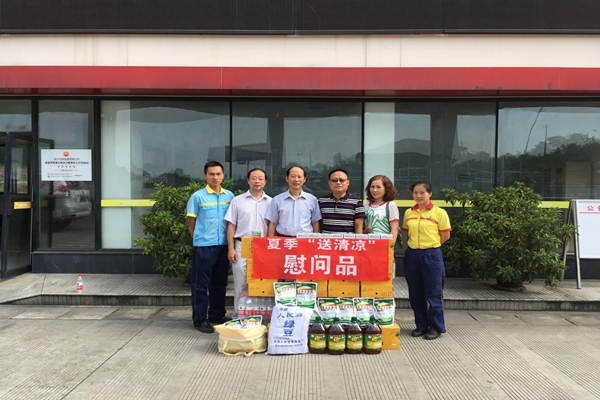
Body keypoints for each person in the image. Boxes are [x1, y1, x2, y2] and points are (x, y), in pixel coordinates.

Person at [186, 161, 234, 333]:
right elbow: (191, 220)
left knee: (219, 283)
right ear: (205, 175)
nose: (215, 177)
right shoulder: (197, 196)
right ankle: (199, 319)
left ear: (223, 175)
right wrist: (197, 238)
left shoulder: (230, 196)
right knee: (200, 284)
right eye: (212, 174)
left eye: (218, 174)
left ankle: (217, 315)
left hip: (223, 246)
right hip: (204, 247)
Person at [402, 180, 451, 341]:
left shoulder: (439, 213)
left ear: (430, 194)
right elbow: (407, 233)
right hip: (412, 255)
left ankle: (435, 327)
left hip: (431, 255)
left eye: (422, 192)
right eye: (415, 192)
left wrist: (431, 246)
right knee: (415, 293)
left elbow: (445, 235)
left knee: (433, 292)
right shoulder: (409, 213)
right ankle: (421, 325)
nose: (418, 196)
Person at [224, 168, 272, 319]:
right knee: (240, 282)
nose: (257, 181)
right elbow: (231, 225)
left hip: (263, 247)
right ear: (248, 180)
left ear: (265, 181)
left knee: (262, 282)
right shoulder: (237, 200)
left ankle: (260, 316)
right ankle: (239, 316)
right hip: (242, 245)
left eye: (260, 178)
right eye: (254, 178)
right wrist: (231, 248)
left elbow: (273, 225)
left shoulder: (271, 202)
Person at [265, 166, 321, 237]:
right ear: (287, 178)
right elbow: (273, 223)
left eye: (299, 177)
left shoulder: (312, 200)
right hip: (283, 239)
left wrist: (316, 240)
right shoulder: (277, 200)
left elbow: (315, 222)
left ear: (304, 179)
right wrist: (270, 240)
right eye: (293, 176)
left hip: (305, 239)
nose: (296, 180)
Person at [318, 168, 365, 234]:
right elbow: (318, 224)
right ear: (329, 183)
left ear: (348, 182)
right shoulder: (321, 201)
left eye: (342, 180)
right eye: (334, 180)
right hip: (326, 240)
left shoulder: (357, 202)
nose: (338, 183)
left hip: (347, 240)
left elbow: (358, 228)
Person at [364, 174, 399, 244]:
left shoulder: (390, 205)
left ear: (386, 188)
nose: (374, 190)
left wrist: (391, 246)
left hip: (383, 244)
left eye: (378, 187)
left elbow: (394, 229)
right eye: (372, 187)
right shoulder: (366, 205)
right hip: (367, 244)